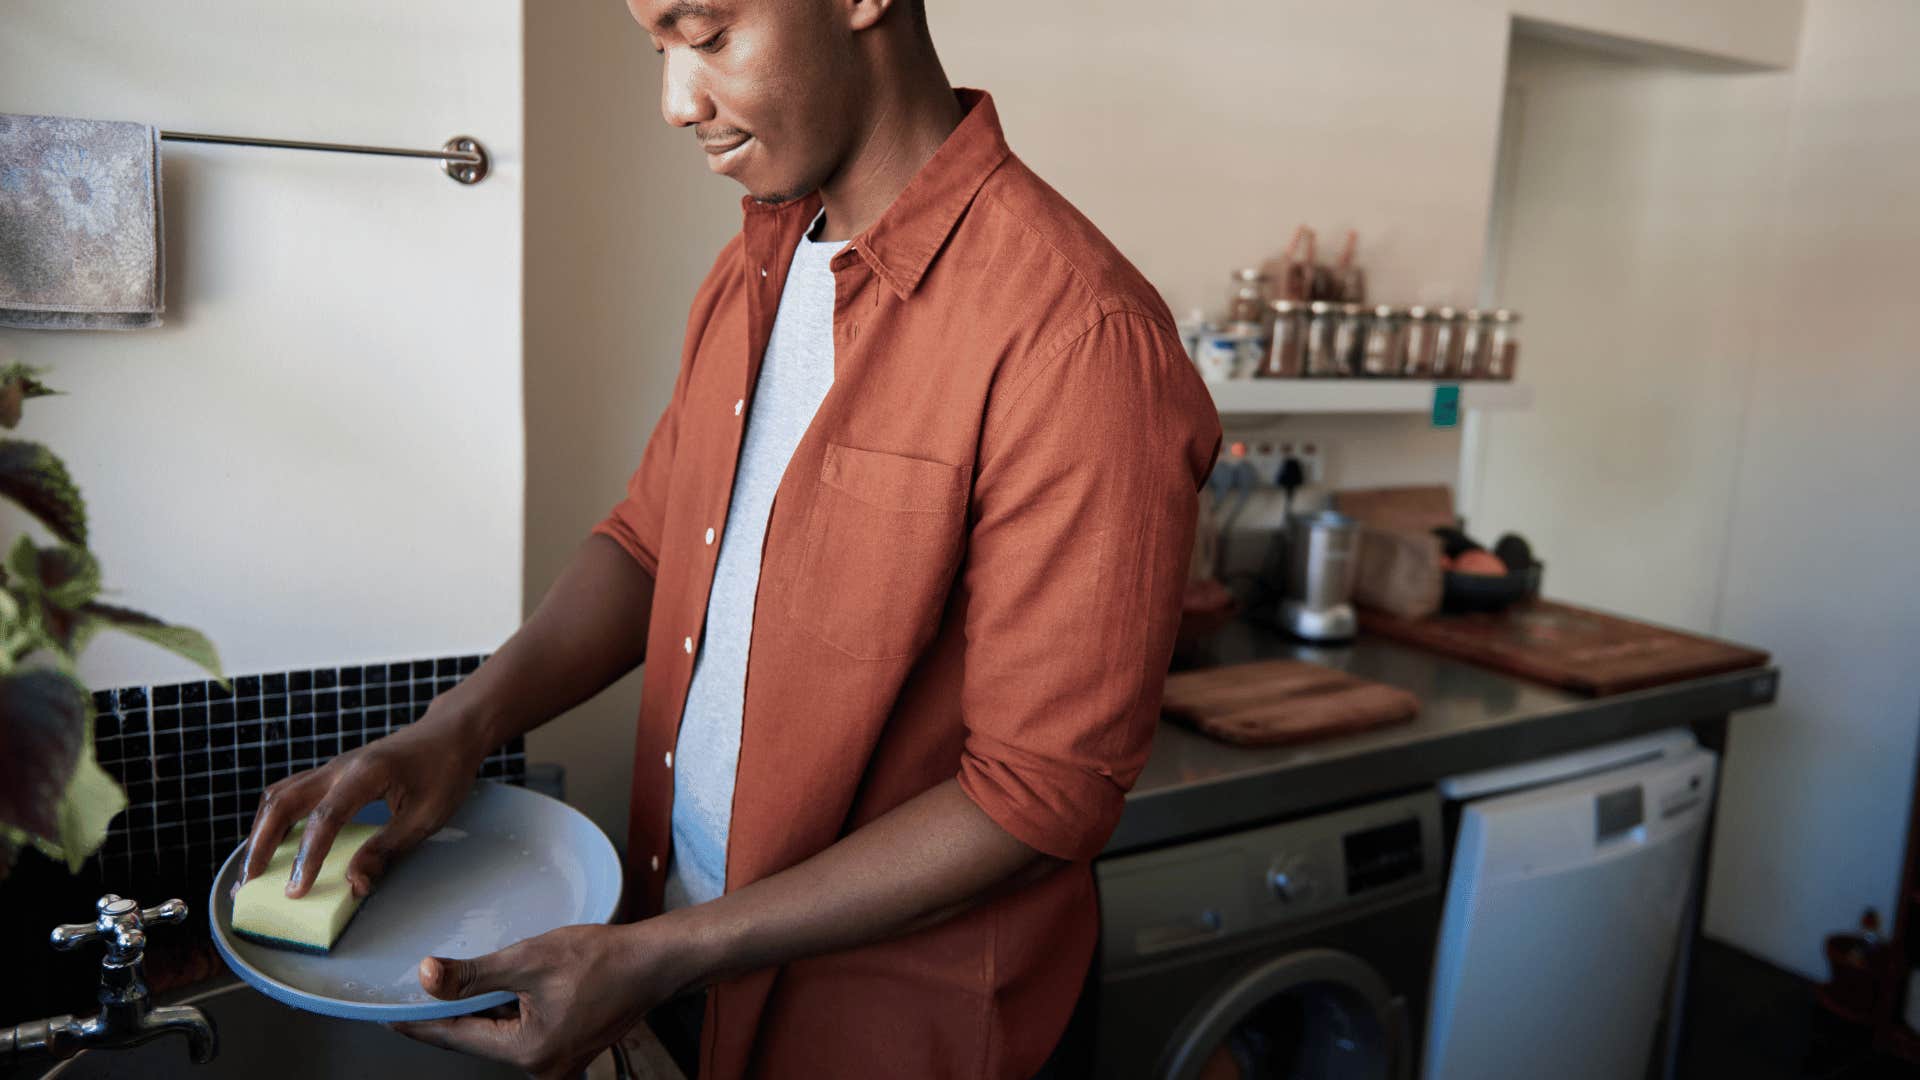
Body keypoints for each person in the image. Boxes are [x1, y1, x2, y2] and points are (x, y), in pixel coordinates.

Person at [236, 0, 1221, 1076]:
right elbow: (652, 544)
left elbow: (1037, 796)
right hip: (689, 971)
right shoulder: (759, 262)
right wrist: (459, 728)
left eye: (705, 37)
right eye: (658, 48)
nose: (676, 102)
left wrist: (662, 956)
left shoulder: (1081, 338)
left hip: (896, 1035)